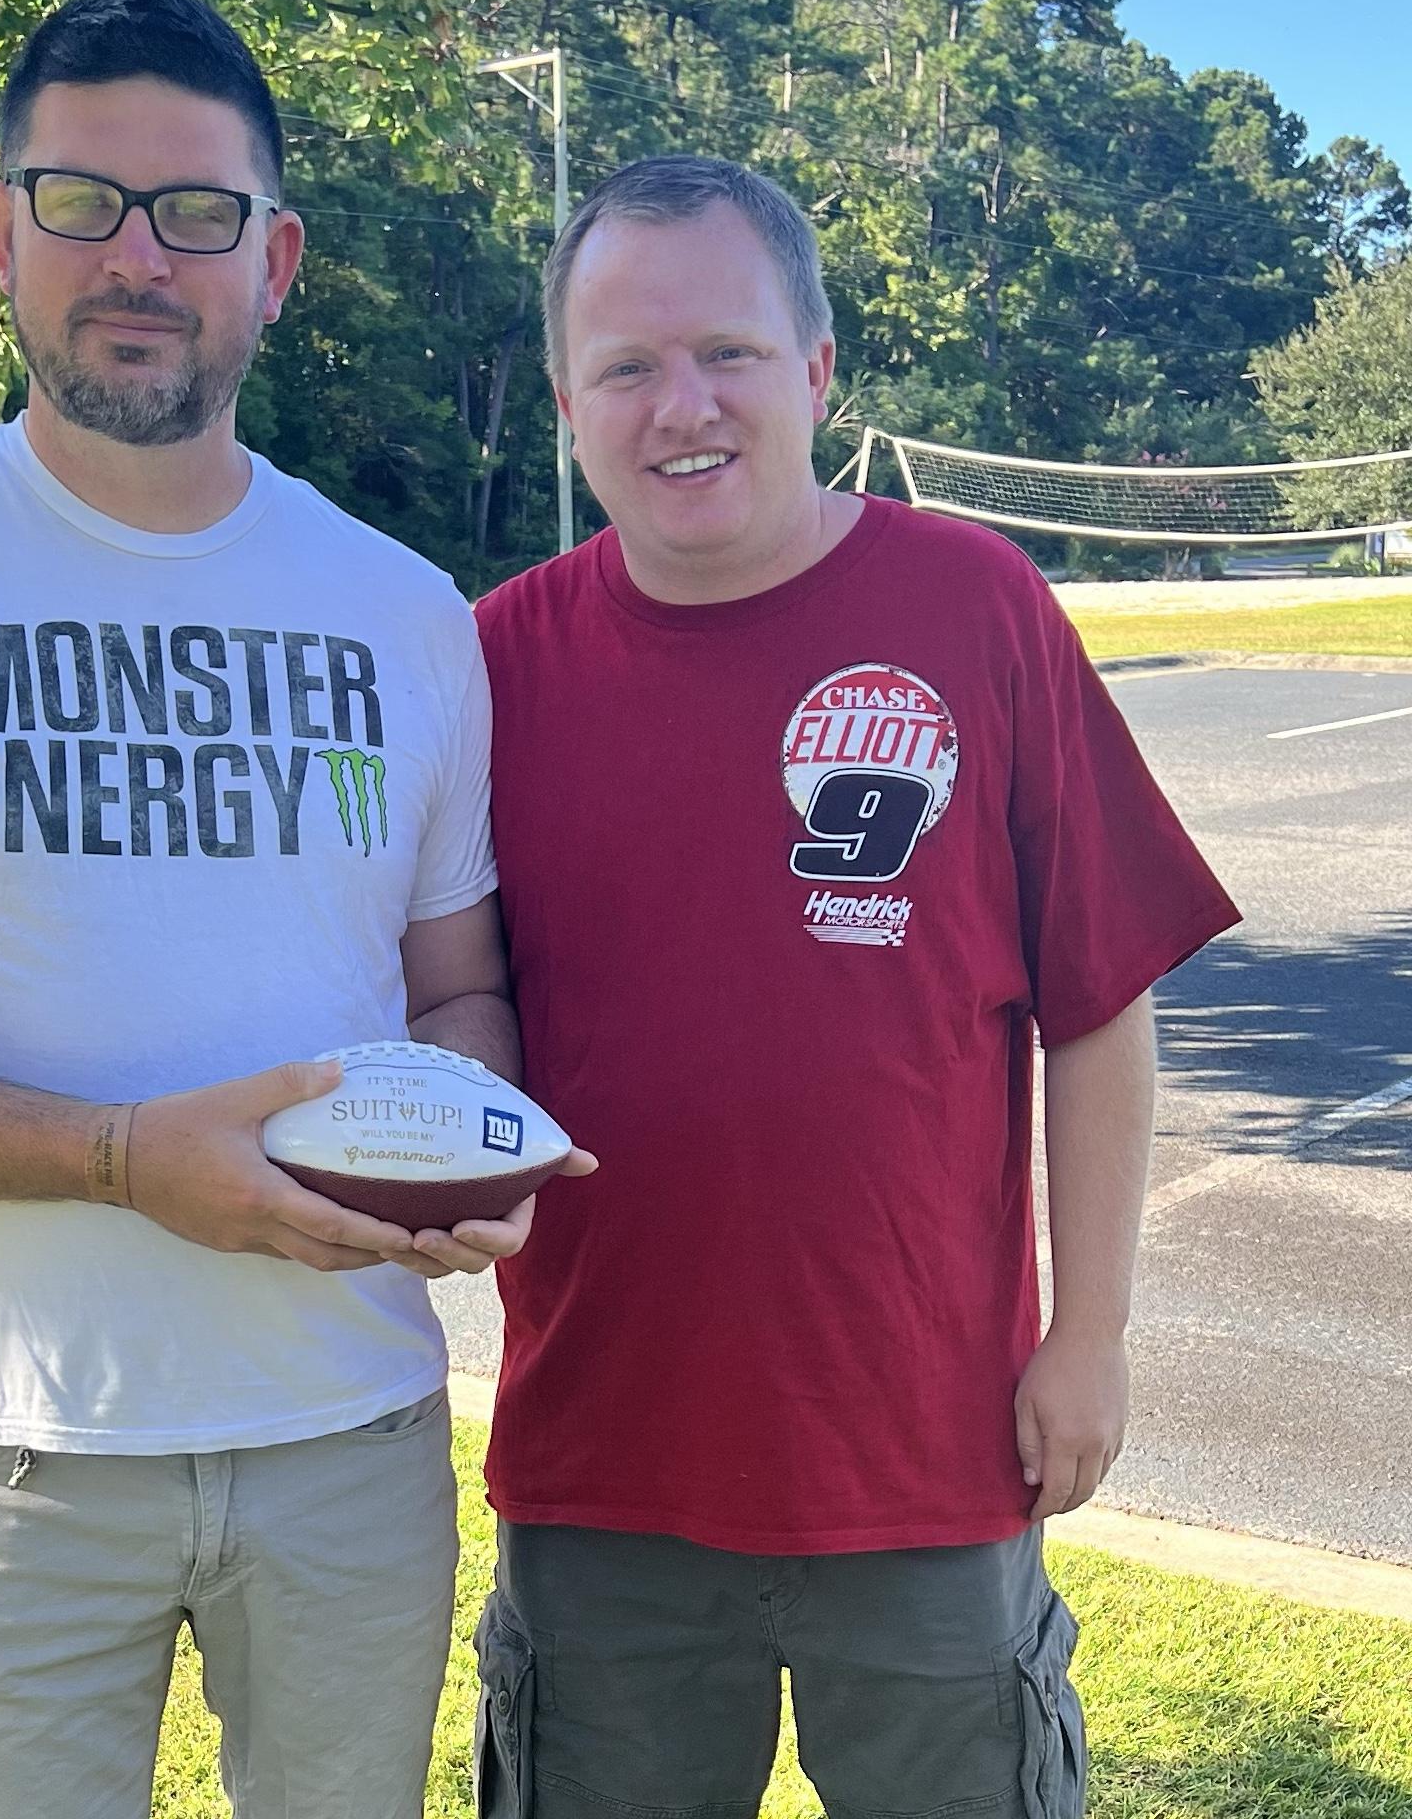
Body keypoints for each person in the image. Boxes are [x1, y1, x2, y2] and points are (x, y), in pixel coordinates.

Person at [0, 0, 573, 1819]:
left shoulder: (405, 610)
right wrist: (120, 1160)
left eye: (199, 212)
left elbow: (457, 993)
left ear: (278, 259)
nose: (139, 257)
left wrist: (463, 1159)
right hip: (9, 1455)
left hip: (351, 1434)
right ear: (3, 227)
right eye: (83, 201)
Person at [469, 155, 1240, 1819]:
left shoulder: (976, 607)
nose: (684, 405)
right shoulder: (492, 664)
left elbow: (1098, 1000)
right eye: (627, 365)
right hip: (602, 1466)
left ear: (817, 370)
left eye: (729, 352)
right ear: (568, 406)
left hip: (928, 1449)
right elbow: (437, 1006)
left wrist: (1091, 1333)